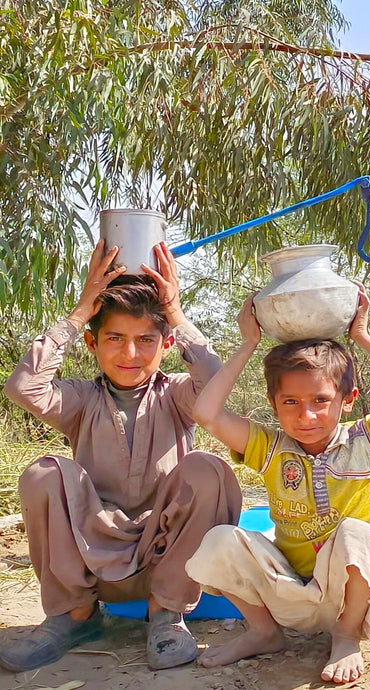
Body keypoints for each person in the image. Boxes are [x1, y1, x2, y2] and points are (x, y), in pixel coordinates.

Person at [0, 241, 242, 672]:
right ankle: (74, 616)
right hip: (93, 555)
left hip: (164, 555)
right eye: (115, 338)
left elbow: (215, 383)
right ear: (92, 343)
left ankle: (166, 615)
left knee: (209, 469)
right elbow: (24, 387)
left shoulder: (177, 395)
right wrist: (78, 314)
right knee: (43, 473)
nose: (130, 354)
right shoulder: (81, 399)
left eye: (146, 340)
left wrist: (178, 314)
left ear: (166, 344)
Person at [184, 284, 370, 685]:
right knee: (221, 540)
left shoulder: (366, 439)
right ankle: (264, 633)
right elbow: (207, 413)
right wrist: (249, 344)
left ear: (347, 399)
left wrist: (361, 336)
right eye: (291, 403)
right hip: (290, 590)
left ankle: (346, 637)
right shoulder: (270, 447)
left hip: (349, 595)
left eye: (320, 400)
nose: (307, 415)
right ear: (274, 403)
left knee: (356, 532)